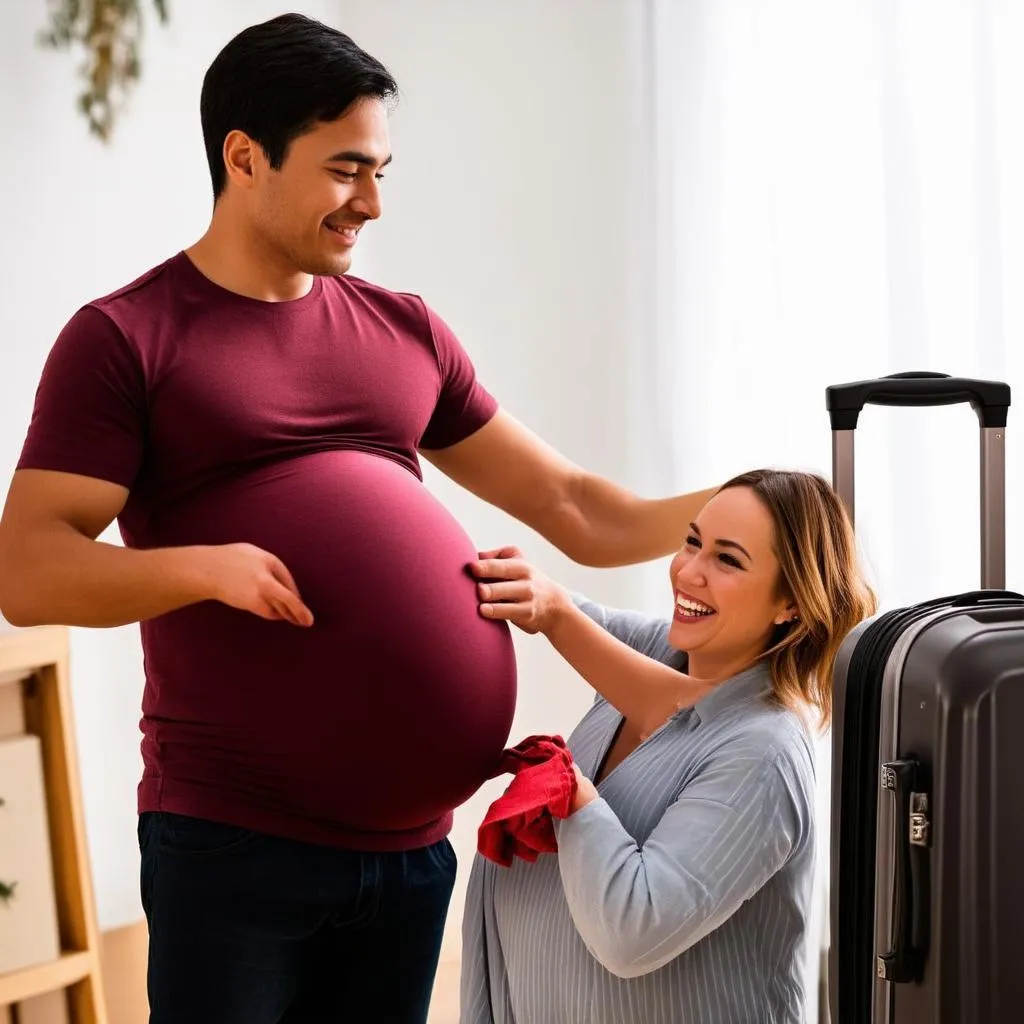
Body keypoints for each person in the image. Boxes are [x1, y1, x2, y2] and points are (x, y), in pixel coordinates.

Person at [0, 12, 717, 1024]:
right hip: (235, 846)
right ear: (244, 158)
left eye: (381, 170)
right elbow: (27, 568)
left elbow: (579, 511)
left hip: (413, 852)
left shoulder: (402, 329)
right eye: (345, 170)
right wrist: (204, 569)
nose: (372, 203)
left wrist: (760, 498)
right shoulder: (127, 339)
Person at [461, 469, 877, 1023]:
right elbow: (561, 611)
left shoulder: (764, 752)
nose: (689, 571)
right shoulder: (656, 652)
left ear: (791, 605)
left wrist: (572, 796)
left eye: (728, 560)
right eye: (692, 541)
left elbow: (634, 929)